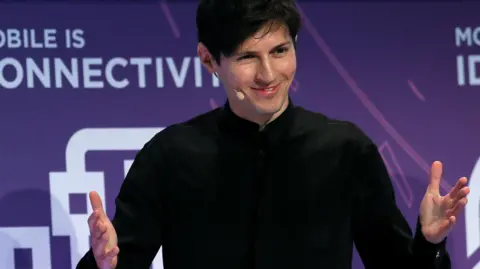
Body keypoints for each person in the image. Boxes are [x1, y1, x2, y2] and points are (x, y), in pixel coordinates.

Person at [76, 0, 470, 268]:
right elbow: (117, 258)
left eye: (280, 51)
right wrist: (101, 263)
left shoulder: (346, 150)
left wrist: (430, 243)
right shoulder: (169, 155)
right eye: (248, 57)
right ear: (209, 59)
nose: (268, 75)